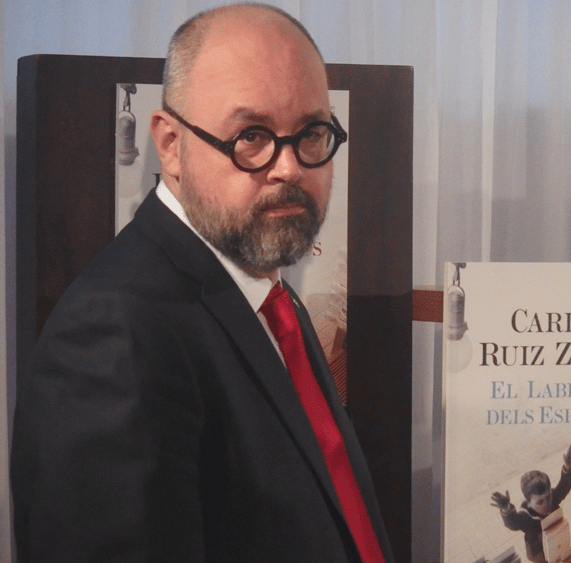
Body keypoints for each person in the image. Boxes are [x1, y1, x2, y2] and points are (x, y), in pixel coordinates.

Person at [11, 4, 394, 562]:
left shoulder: (269, 297)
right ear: (170, 145)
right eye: (250, 136)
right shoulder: (111, 335)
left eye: (312, 133)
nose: (289, 168)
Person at [490, 443, 571, 563]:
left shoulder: (553, 499)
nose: (547, 504)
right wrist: (506, 508)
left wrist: (568, 466)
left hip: (557, 541)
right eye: (540, 502)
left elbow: (564, 486)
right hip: (539, 554)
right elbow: (513, 523)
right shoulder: (525, 516)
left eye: (548, 497)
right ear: (528, 502)